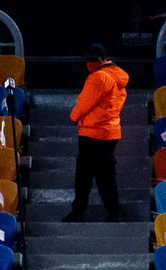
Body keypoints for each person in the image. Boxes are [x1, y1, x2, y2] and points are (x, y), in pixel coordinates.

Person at [63, 43, 129, 223]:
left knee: (83, 176)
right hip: (111, 132)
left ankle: (78, 212)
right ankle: (114, 211)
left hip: (91, 133)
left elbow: (85, 102)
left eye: (90, 61)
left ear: (98, 61)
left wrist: (73, 116)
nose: (87, 64)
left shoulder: (98, 77)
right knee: (106, 175)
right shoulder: (119, 77)